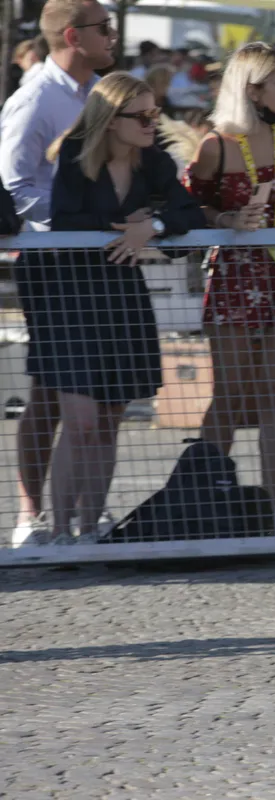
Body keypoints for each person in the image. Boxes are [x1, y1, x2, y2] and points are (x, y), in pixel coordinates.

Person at [39, 72, 204, 544]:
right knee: (80, 421)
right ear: (111, 121)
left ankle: (89, 529)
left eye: (155, 112)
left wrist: (149, 224)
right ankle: (57, 531)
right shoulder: (75, 154)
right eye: (142, 115)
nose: (153, 122)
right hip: (70, 297)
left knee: (110, 418)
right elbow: (64, 222)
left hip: (122, 294)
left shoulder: (154, 160)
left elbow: (187, 214)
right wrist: (122, 225)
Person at [185, 43, 275, 507]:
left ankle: (269, 505)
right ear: (252, 89)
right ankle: (200, 500)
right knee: (229, 394)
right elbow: (188, 209)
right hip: (235, 273)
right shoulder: (216, 145)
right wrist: (226, 221)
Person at [0, 0, 115, 547]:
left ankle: (79, 513)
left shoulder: (99, 91)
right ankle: (30, 515)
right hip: (52, 263)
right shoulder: (34, 99)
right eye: (103, 27)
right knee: (52, 392)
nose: (113, 34)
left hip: (97, 262)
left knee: (79, 393)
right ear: (73, 35)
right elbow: (13, 187)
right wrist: (76, 223)